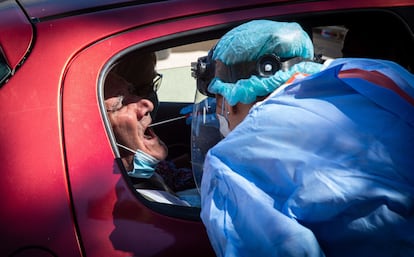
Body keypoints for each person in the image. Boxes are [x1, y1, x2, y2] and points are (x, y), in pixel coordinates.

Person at [191, 20, 414, 257]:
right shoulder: (366, 75)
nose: (217, 111)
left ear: (230, 96)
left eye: (217, 97)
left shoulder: (230, 162)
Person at [104, 51, 196, 204]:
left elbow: (172, 176)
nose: (148, 103)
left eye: (132, 92)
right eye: (121, 103)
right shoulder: (129, 202)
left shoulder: (149, 171)